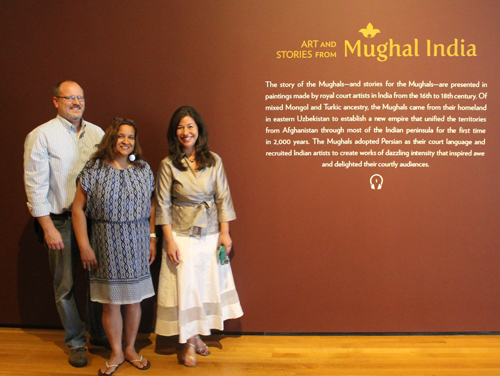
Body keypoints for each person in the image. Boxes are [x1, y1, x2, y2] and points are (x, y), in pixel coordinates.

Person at [23, 80, 108, 368]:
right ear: (55, 101)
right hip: (59, 221)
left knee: (97, 281)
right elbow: (35, 186)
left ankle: (97, 333)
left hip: (94, 221)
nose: (76, 102)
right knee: (66, 285)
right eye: (69, 98)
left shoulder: (97, 133)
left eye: (80, 98)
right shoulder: (41, 136)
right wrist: (46, 227)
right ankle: (75, 341)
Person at [155, 106, 243, 367]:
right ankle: (186, 343)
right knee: (187, 288)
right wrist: (168, 240)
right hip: (181, 234)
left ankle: (197, 336)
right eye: (180, 127)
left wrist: (225, 233)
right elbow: (162, 205)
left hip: (210, 232)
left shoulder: (214, 160)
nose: (186, 132)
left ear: (199, 130)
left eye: (190, 126)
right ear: (174, 133)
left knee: (204, 285)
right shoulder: (168, 164)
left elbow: (223, 197)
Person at [72, 118, 156, 376]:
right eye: (121, 136)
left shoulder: (143, 168)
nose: (126, 141)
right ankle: (116, 351)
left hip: (137, 242)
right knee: (111, 303)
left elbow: (152, 205)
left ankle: (130, 348)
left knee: (133, 301)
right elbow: (77, 208)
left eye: (130, 137)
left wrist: (153, 237)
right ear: (112, 137)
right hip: (105, 242)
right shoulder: (94, 168)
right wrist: (84, 245)